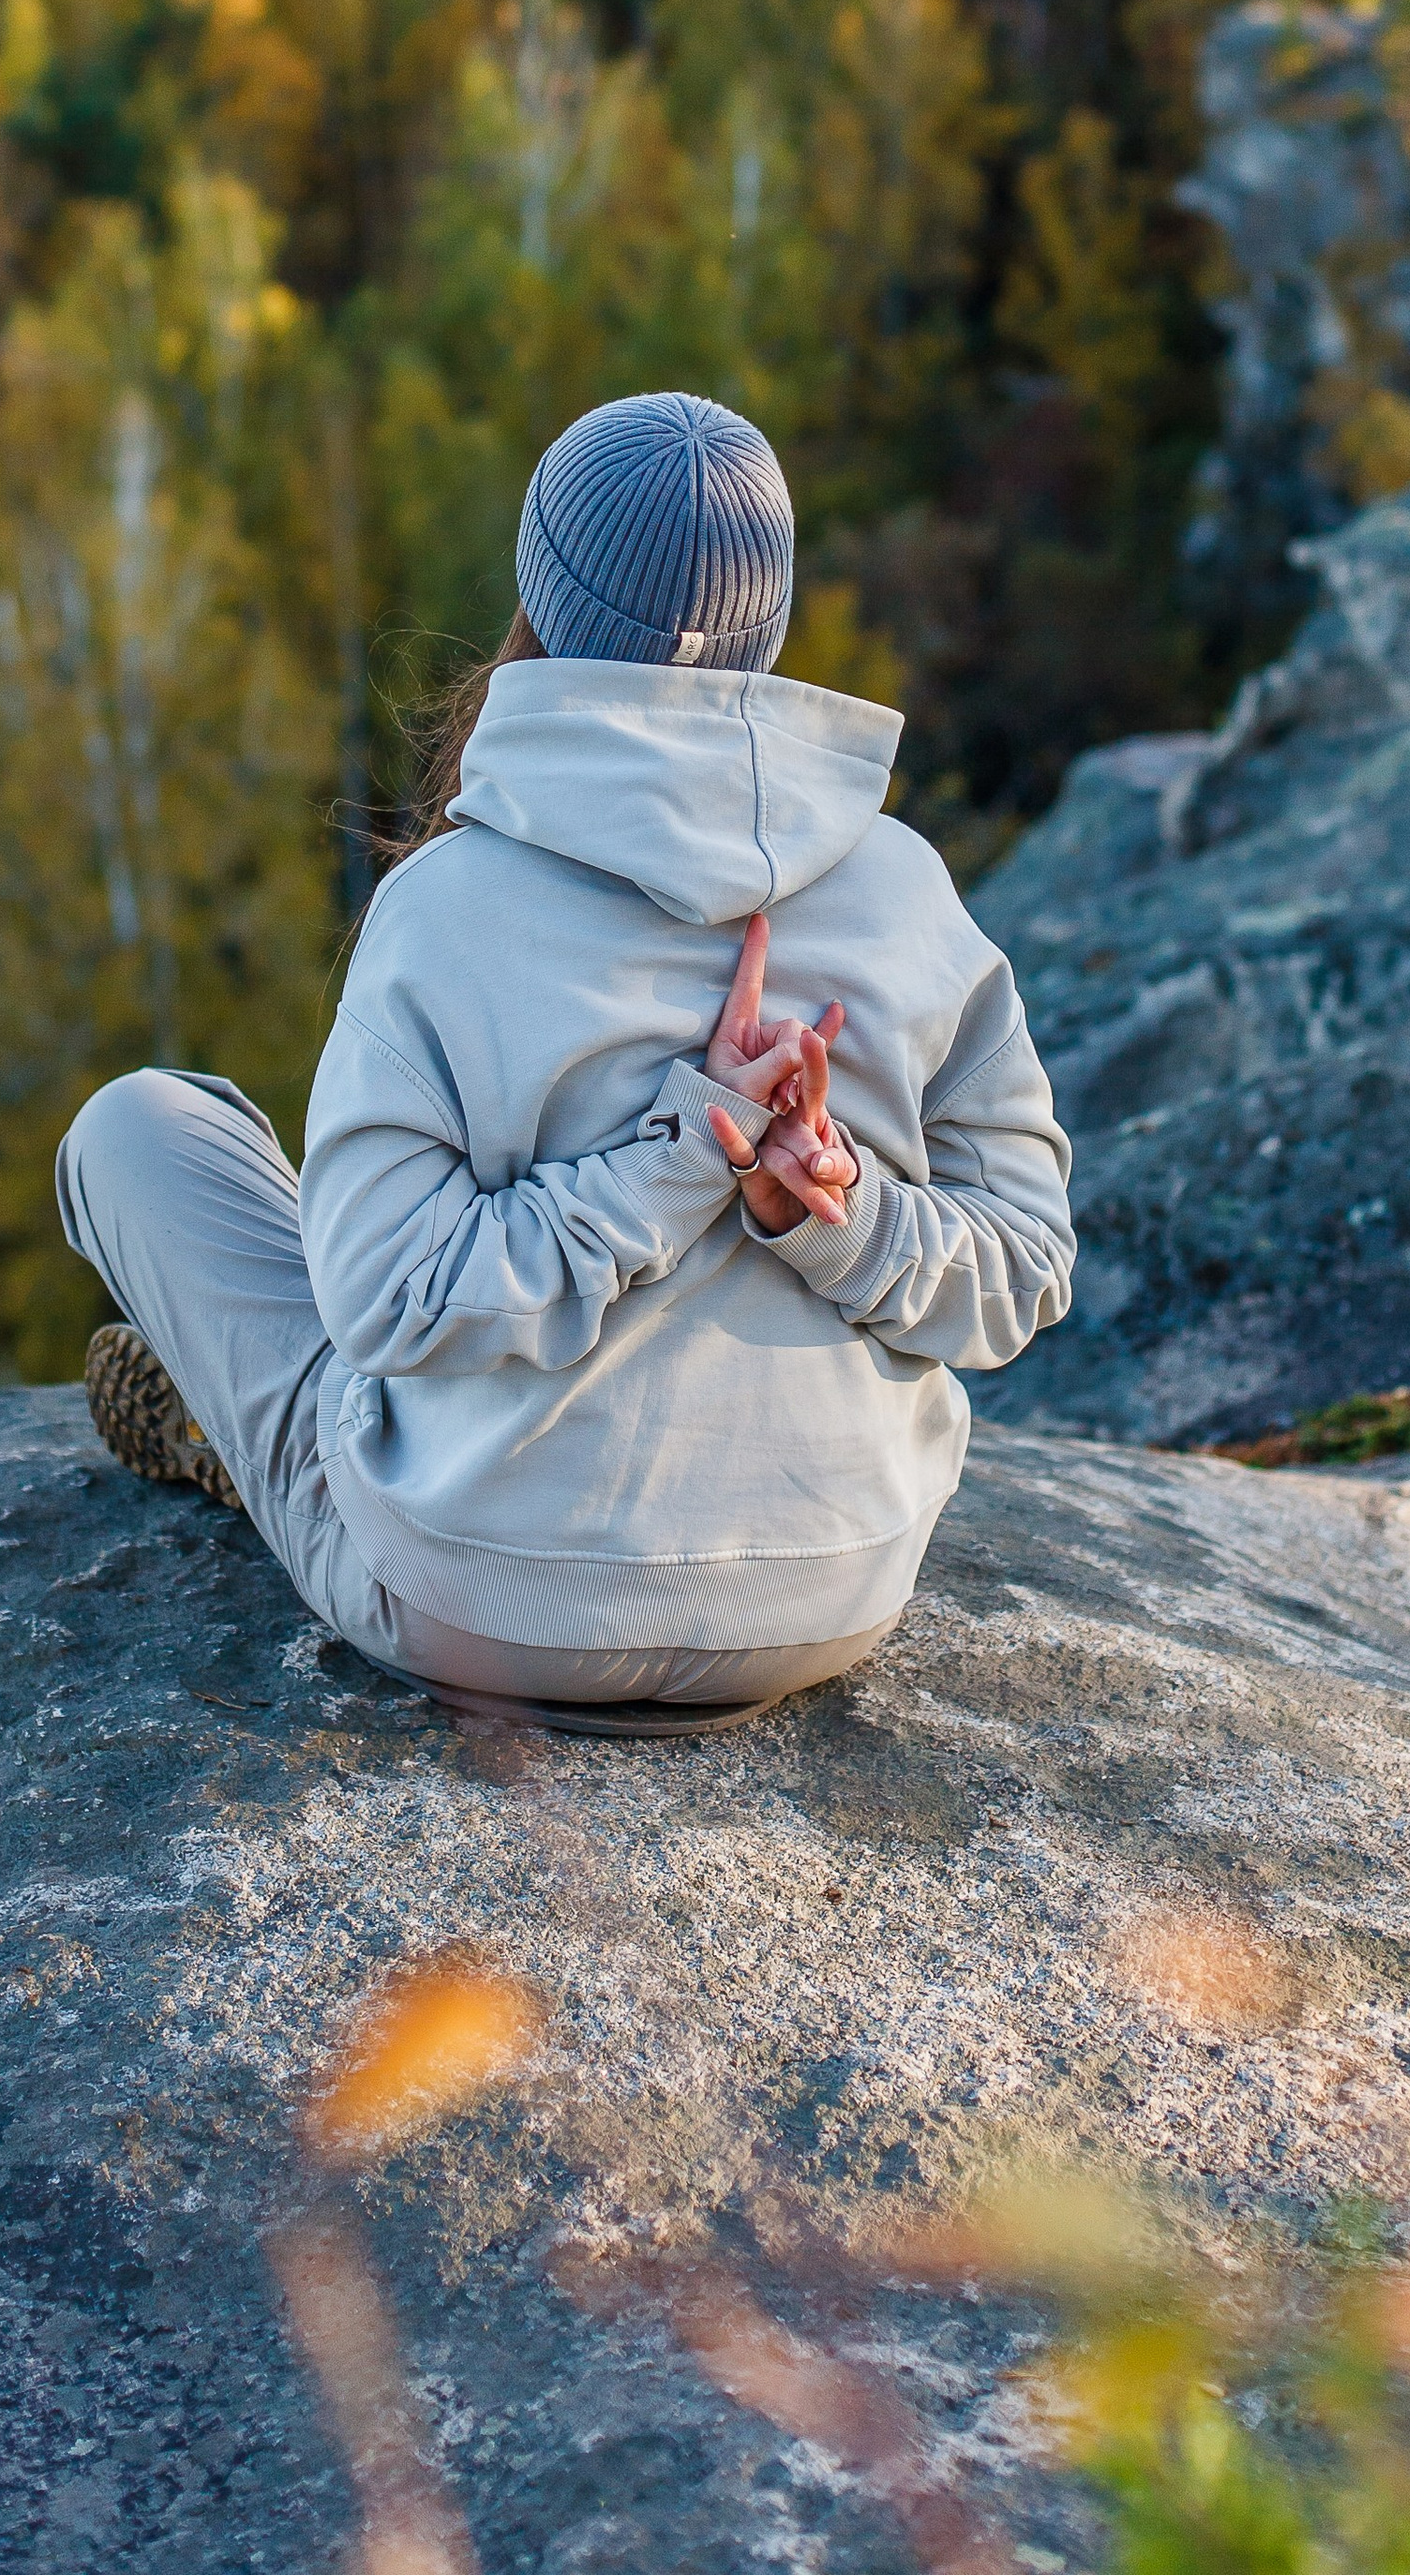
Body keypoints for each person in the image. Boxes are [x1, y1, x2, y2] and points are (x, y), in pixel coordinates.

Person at [54, 390, 1074, 1735]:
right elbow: (1029, 1271)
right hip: (823, 1603)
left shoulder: (447, 904)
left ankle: (266, 1453)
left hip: (487, 1613)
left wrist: (674, 1165)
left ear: (536, 595)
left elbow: (375, 1298)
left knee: (144, 1129)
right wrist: (836, 1210)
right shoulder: (904, 887)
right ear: (771, 619)